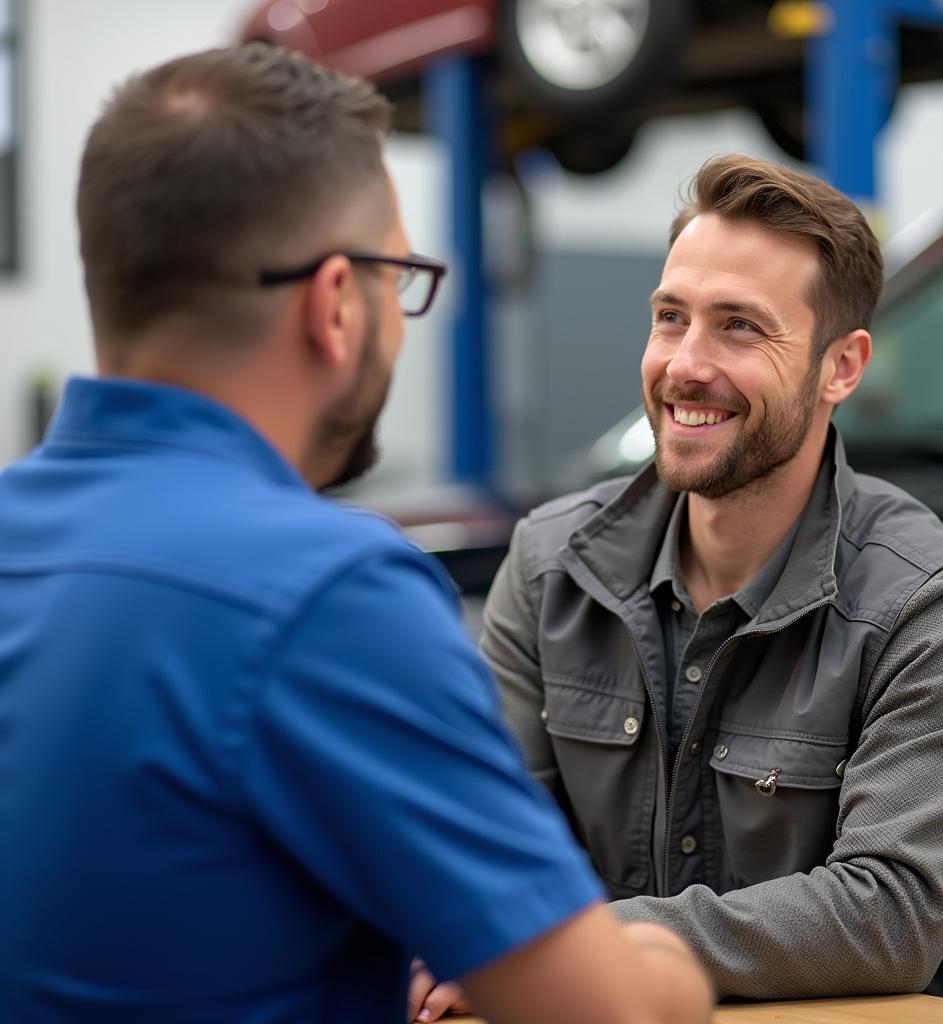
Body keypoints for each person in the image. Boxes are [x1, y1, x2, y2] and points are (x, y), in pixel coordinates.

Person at [0, 45, 714, 1024]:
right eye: (399, 274)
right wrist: (666, 964)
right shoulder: (323, 595)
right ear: (335, 301)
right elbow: (603, 1012)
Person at [477, 155, 943, 1007]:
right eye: (670, 318)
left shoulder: (934, 602)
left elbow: (890, 916)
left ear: (841, 367)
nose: (686, 365)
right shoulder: (552, 568)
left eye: (739, 327)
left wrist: (571, 945)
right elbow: (486, 847)